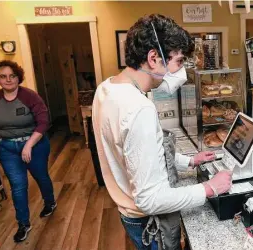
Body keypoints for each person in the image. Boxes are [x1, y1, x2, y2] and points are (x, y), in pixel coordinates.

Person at [91, 14, 232, 249]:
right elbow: (150, 199)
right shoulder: (138, 109)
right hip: (148, 222)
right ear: (153, 58)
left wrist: (189, 161)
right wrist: (209, 188)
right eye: (178, 62)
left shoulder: (106, 89)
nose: (181, 72)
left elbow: (137, 154)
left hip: (128, 213)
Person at [0, 60, 56, 243]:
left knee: (41, 176)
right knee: (18, 185)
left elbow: (43, 122)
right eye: (3, 76)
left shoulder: (30, 96)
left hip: (35, 145)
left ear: (18, 77)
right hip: (7, 148)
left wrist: (29, 145)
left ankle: (50, 202)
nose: (8, 80)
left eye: (12, 75)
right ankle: (23, 224)